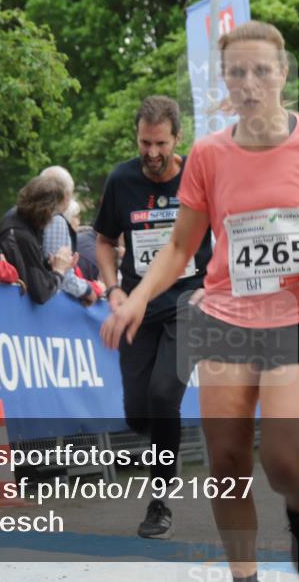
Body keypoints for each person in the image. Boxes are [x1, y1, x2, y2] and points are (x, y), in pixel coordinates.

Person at [101, 21, 299, 580]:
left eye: (261, 70)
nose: (249, 83)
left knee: (279, 457)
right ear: (223, 81)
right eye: (236, 72)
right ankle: (243, 576)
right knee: (226, 463)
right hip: (227, 316)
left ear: (281, 74)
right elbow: (180, 246)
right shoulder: (208, 154)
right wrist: (132, 298)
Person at [93, 95, 212, 539]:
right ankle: (161, 442)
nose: (153, 153)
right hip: (137, 307)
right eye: (145, 143)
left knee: (165, 396)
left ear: (177, 139)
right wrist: (114, 288)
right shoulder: (122, 180)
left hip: (188, 305)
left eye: (161, 143)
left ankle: (159, 501)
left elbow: (227, 236)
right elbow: (104, 240)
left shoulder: (199, 179)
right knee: (138, 413)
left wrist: (209, 287)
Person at [0, 175, 75, 304]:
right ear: (49, 208)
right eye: (56, 212)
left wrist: (49, 265)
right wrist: (59, 271)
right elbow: (40, 292)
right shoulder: (20, 232)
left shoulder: (21, 221)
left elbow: (32, 272)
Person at [40, 165, 98, 305]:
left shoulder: (25, 215)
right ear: (66, 195)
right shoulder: (56, 221)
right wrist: (90, 290)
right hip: (49, 306)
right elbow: (63, 277)